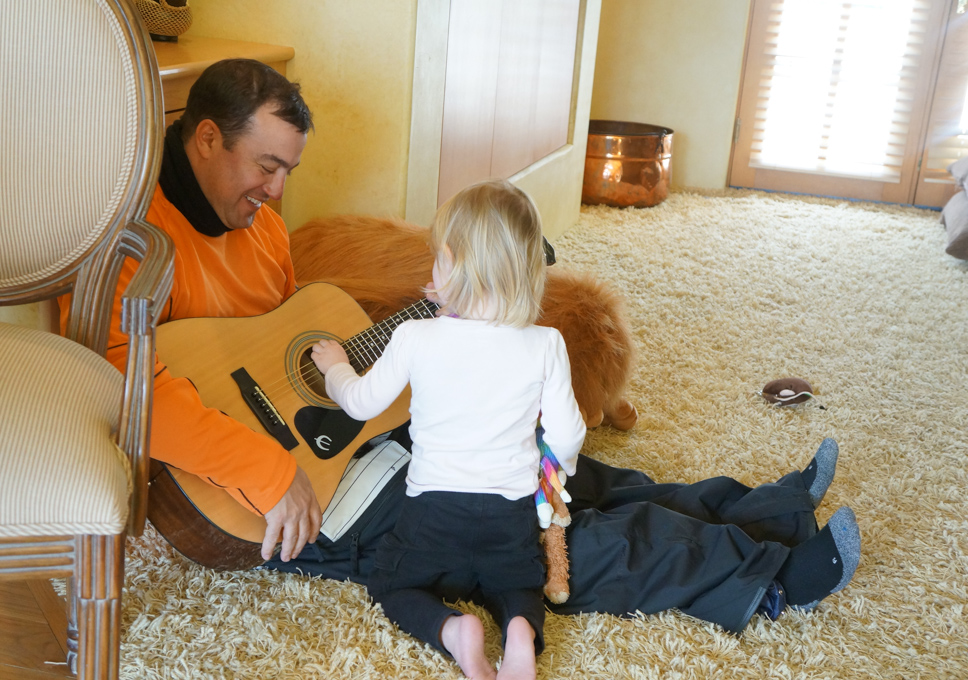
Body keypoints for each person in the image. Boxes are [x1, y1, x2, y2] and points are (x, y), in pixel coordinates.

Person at [73, 57, 861, 649]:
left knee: (560, 471)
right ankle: (764, 578)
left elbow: (285, 337)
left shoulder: (263, 228)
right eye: (266, 166)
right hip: (295, 495)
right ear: (207, 139)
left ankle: (764, 512)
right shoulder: (134, 241)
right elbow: (117, 381)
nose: (277, 192)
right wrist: (269, 471)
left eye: (289, 170)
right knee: (552, 540)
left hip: (361, 439)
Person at [310, 179, 587, 680]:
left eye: (436, 257)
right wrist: (557, 471)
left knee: (391, 584)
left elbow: (359, 402)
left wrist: (335, 368)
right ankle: (519, 631)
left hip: (432, 513)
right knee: (517, 585)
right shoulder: (546, 342)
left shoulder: (414, 335)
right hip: (508, 514)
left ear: (453, 264)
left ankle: (454, 632)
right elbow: (568, 434)